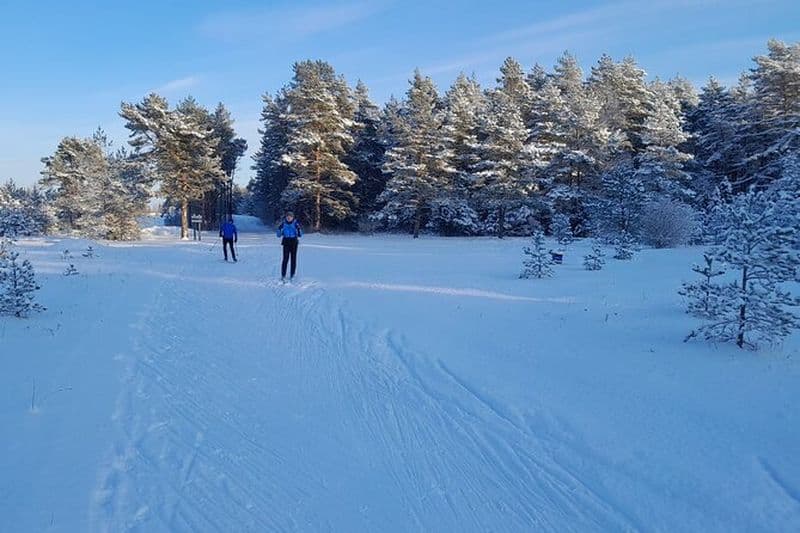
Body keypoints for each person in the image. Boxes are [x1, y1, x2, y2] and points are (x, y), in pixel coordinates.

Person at [276, 211, 302, 280]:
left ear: (293, 217)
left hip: (294, 242)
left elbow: (300, 235)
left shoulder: (296, 224)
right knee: (285, 259)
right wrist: (279, 229)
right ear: (286, 217)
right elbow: (278, 235)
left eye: (290, 217)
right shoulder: (283, 224)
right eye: (287, 217)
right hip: (286, 242)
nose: (289, 218)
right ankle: (283, 275)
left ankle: (292, 275)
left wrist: (298, 229)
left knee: (293, 259)